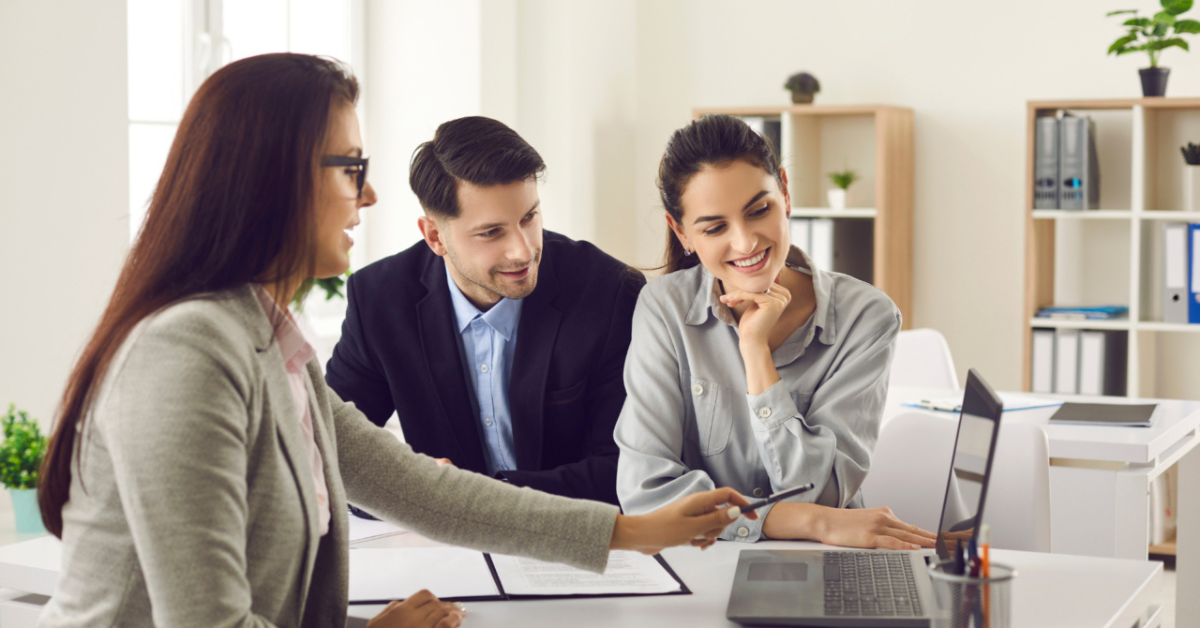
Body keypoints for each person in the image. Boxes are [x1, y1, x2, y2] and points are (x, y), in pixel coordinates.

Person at [36, 55, 753, 628]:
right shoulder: (188, 351)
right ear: (271, 180)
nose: (370, 195)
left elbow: (417, 488)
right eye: (351, 170)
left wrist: (633, 532)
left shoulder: (265, 342)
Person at [614, 114, 935, 550]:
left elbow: (822, 493)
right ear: (681, 232)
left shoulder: (867, 316)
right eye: (714, 227)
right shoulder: (663, 309)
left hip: (826, 561)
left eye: (759, 210)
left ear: (784, 191)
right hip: (704, 563)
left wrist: (755, 352)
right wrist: (810, 522)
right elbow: (646, 496)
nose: (746, 243)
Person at [325, 116, 642, 506]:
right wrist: (411, 487)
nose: (523, 250)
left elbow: (627, 469)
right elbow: (328, 453)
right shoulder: (379, 300)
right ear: (435, 236)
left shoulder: (608, 290)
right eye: (491, 232)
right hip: (445, 550)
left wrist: (470, 499)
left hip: (576, 542)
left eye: (529, 217)